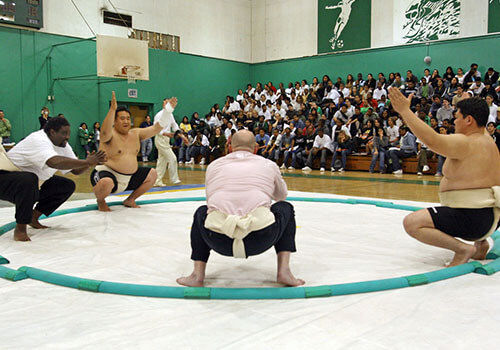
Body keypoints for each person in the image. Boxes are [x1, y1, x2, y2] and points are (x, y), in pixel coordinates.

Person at [388, 87, 500, 267]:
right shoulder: (486, 138)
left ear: (469, 120)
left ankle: (463, 249)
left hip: (473, 219)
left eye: (457, 117)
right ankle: (481, 244)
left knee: (412, 223)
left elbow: (432, 140)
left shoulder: (466, 142)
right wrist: (466, 101)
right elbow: (479, 113)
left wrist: (405, 112)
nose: (454, 121)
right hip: (491, 218)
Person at [176, 130, 304, 287]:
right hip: (261, 237)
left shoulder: (214, 166)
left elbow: (210, 201)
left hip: (218, 238)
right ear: (255, 148)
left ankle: (197, 274)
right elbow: (281, 196)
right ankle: (284, 271)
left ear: (229, 146)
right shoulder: (269, 165)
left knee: (202, 212)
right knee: (285, 207)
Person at [0, 117, 106, 241]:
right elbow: (53, 162)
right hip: (5, 180)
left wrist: (90, 163)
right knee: (29, 179)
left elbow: (76, 170)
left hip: (32, 184)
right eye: (64, 133)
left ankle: (33, 218)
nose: (67, 137)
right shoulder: (38, 139)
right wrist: (85, 161)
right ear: (52, 132)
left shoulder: (63, 145)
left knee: (67, 185)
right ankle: (20, 229)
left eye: (68, 133)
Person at [90, 92, 171, 211]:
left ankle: (130, 199)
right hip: (107, 174)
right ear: (114, 121)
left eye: (128, 118)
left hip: (129, 178)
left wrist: (167, 111)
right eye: (122, 118)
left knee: (152, 174)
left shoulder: (136, 133)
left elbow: (156, 128)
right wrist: (112, 110)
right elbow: (105, 130)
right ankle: (101, 201)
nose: (126, 121)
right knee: (106, 182)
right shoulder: (109, 135)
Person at [154, 101, 188, 186]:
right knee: (172, 158)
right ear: (163, 105)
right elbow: (156, 129)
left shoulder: (170, 115)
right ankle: (174, 179)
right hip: (160, 139)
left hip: (166, 140)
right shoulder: (159, 115)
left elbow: (175, 126)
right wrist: (166, 133)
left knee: (162, 161)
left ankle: (157, 180)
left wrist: (182, 137)